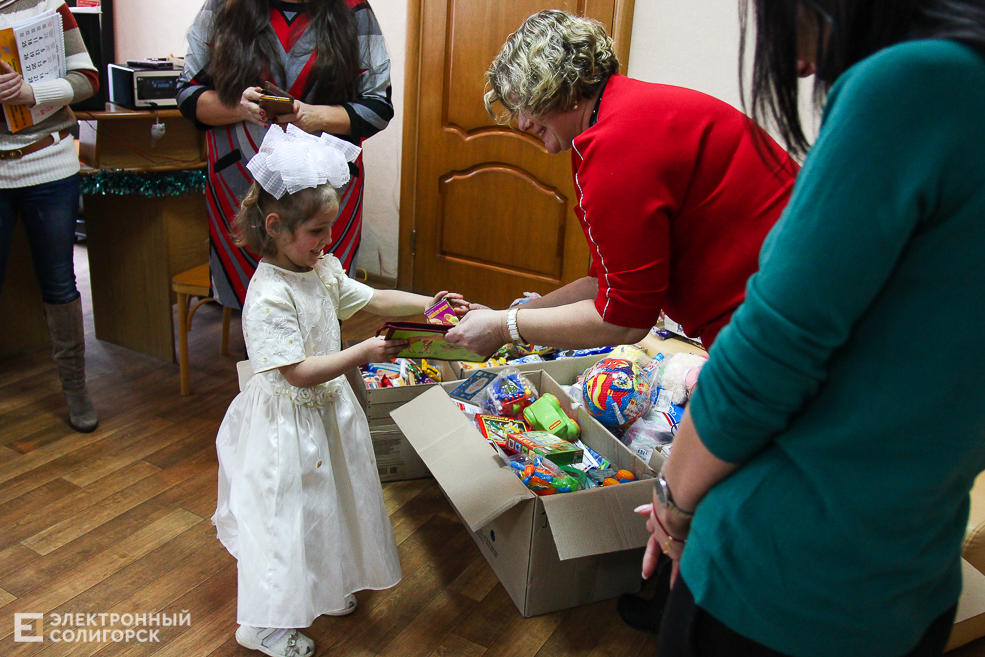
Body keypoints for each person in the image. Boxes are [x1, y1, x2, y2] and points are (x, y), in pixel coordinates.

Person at [642, 1, 985, 655]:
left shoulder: (915, 82)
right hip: (914, 573)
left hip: (780, 576)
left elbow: (768, 349)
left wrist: (673, 502)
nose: (799, 65)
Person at [214, 125, 468, 657]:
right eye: (316, 232)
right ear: (276, 226)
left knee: (327, 503)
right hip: (287, 425)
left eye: (329, 231)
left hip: (327, 413)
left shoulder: (319, 270)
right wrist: (361, 354)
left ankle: (324, 584)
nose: (326, 243)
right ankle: (263, 625)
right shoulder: (267, 295)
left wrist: (432, 305)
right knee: (285, 517)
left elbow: (374, 299)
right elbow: (296, 372)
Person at [446, 9, 798, 359]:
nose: (522, 123)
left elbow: (625, 321)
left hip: (778, 314)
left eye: (527, 105)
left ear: (562, 88)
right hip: (779, 296)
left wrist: (504, 328)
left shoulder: (616, 144)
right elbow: (603, 286)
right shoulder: (615, 118)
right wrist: (504, 317)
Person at [177, 0, 393, 310]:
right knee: (259, 307)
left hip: (326, 188)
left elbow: (378, 107)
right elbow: (187, 94)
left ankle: (324, 357)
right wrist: (239, 107)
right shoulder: (223, 6)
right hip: (242, 183)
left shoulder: (352, 9)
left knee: (325, 298)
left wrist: (311, 115)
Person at [0, 0, 99, 432]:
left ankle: (76, 390)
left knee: (60, 281)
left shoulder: (50, 6)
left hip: (50, 163)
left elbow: (87, 79)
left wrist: (32, 93)